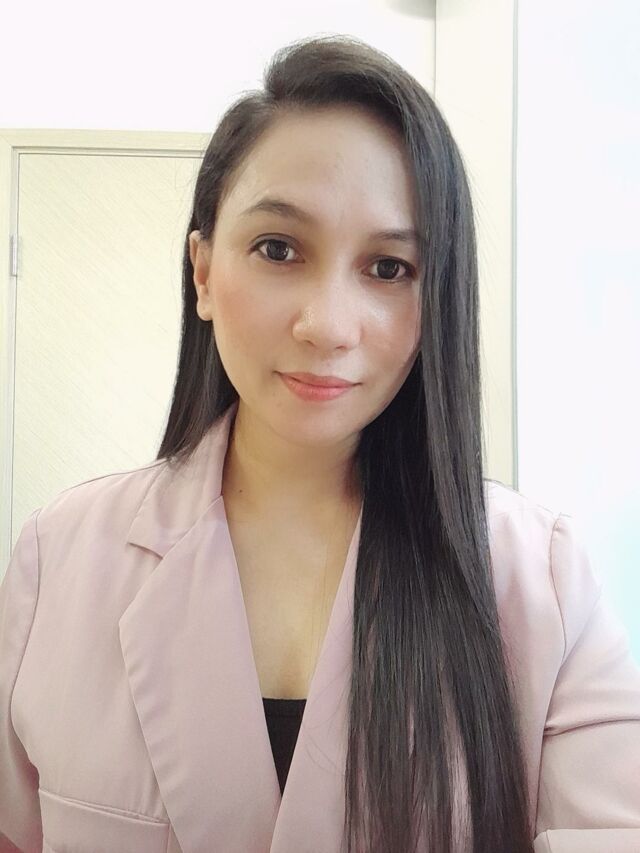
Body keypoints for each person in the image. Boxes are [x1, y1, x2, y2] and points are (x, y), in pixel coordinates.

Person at [1, 33, 639, 853]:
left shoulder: (540, 579)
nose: (329, 325)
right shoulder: (59, 556)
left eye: (389, 268)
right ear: (203, 272)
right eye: (278, 249)